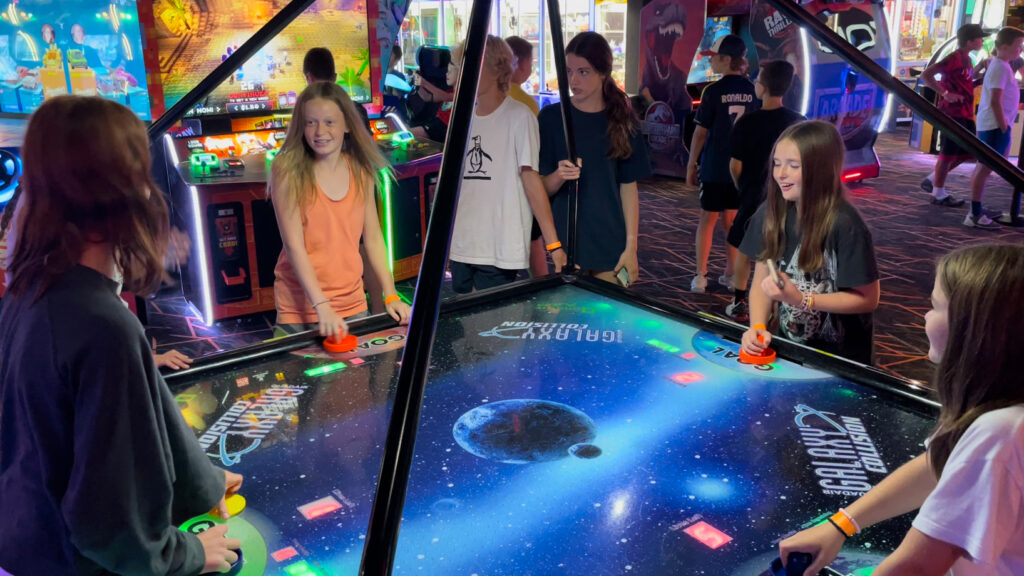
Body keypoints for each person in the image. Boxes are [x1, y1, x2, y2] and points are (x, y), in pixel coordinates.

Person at [0, 95, 241, 575]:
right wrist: (187, 554)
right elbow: (109, 523)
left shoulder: (32, 287)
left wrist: (203, 481)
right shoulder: (103, 325)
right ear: (124, 191)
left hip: (25, 542)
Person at [778, 243, 1024, 576]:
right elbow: (938, 463)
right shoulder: (999, 410)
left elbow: (917, 566)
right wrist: (842, 525)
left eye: (935, 306)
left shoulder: (999, 433)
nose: (924, 316)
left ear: (975, 330)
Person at [270, 81, 411, 338]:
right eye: (310, 122)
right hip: (300, 307)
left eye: (329, 122)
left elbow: (374, 239)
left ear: (347, 124)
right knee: (296, 379)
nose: (319, 131)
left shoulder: (361, 169)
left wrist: (390, 294)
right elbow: (293, 246)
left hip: (352, 301)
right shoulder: (287, 169)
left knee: (355, 378)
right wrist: (321, 305)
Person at [739, 120, 880, 365]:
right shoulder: (771, 212)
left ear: (821, 169)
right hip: (790, 348)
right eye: (777, 163)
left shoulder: (846, 224)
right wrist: (758, 326)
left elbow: (868, 299)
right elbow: (762, 281)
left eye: (793, 165)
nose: (780, 173)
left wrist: (804, 299)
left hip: (842, 359)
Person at [448, 35, 566, 293]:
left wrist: (553, 244)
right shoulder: (461, 118)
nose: (459, 74)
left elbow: (531, 180)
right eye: (459, 66)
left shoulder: (520, 117)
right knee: (460, 327)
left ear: (494, 69)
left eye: (467, 66)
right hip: (461, 243)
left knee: (491, 328)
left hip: (499, 245)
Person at [540, 31, 651, 285]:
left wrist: (631, 246)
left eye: (583, 71)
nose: (573, 80)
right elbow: (538, 189)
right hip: (564, 246)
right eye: (568, 71)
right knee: (569, 322)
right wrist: (559, 176)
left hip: (610, 241)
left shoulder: (622, 120)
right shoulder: (551, 119)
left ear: (603, 73)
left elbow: (628, 186)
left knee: (609, 321)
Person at [725, 59, 804, 322]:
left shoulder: (747, 122)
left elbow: (735, 165)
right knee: (781, 252)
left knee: (745, 251)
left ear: (764, 87)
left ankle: (738, 302)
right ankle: (777, 306)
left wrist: (744, 187)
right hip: (788, 199)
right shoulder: (798, 123)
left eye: (758, 81)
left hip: (752, 196)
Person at [686, 34, 758, 294]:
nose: (711, 62)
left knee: (707, 219)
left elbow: (701, 132)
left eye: (714, 58)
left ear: (727, 60)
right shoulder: (754, 90)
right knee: (733, 222)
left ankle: (700, 276)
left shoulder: (712, 91)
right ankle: (732, 273)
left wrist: (691, 163)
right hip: (742, 171)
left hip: (715, 167)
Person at [918, 24, 987, 207]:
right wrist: (945, 93)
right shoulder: (954, 57)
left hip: (965, 112)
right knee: (948, 153)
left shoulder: (967, 59)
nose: (982, 41)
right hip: (952, 112)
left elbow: (965, 82)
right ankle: (938, 193)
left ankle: (933, 181)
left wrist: (979, 74)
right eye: (980, 38)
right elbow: (926, 75)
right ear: (970, 41)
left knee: (969, 152)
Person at [965, 26, 1024, 229]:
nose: (1020, 50)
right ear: (1005, 46)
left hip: (994, 125)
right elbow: (995, 101)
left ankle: (976, 208)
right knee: (985, 167)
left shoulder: (1002, 65)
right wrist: (1003, 125)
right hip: (994, 126)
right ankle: (974, 213)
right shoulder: (999, 67)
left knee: (985, 167)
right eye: (1018, 46)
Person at [505, 35, 548, 279]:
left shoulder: (484, 96)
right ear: (518, 62)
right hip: (522, 183)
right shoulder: (526, 104)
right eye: (530, 63)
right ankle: (541, 286)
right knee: (534, 241)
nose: (531, 69)